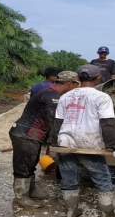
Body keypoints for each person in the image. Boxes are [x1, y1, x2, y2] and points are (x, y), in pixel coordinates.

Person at [51, 64, 115, 217]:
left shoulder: (65, 97)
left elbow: (57, 122)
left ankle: (71, 211)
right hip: (89, 144)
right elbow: (108, 123)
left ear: (78, 78)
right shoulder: (101, 97)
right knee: (102, 178)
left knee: (69, 178)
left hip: (65, 142)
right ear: (99, 78)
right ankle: (108, 215)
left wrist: (53, 144)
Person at [10, 71, 79, 208]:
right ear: (69, 83)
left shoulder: (51, 92)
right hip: (26, 134)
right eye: (76, 84)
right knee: (23, 166)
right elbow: (52, 120)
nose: (76, 86)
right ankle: (21, 197)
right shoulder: (51, 95)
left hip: (33, 134)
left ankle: (31, 191)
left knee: (31, 163)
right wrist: (56, 140)